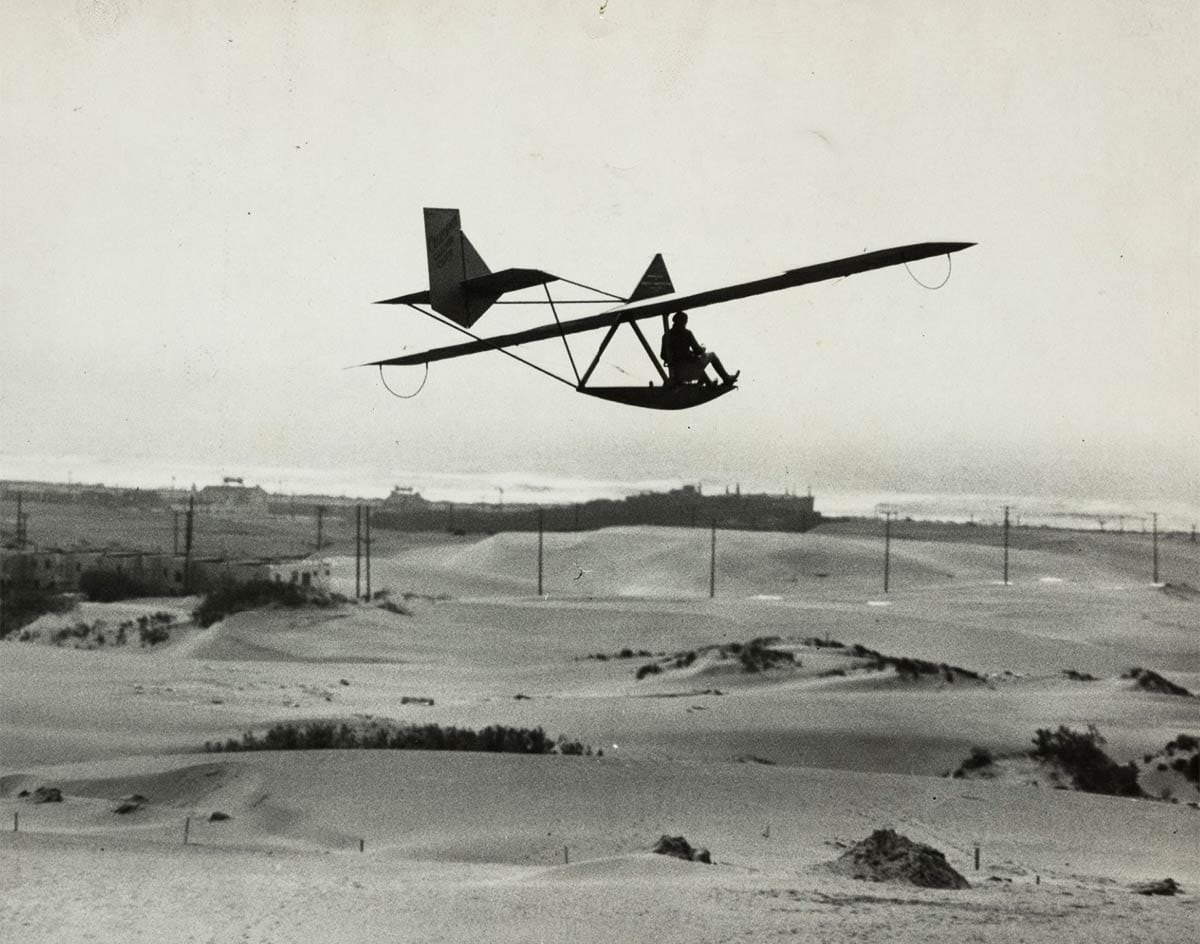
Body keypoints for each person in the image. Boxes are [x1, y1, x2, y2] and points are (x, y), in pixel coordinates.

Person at [660, 312, 739, 386]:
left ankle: (709, 383)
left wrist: (676, 357)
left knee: (695, 361)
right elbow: (698, 350)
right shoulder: (686, 333)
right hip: (689, 370)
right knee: (711, 355)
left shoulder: (666, 336)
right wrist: (702, 349)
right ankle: (726, 378)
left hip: (676, 372)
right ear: (683, 322)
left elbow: (663, 355)